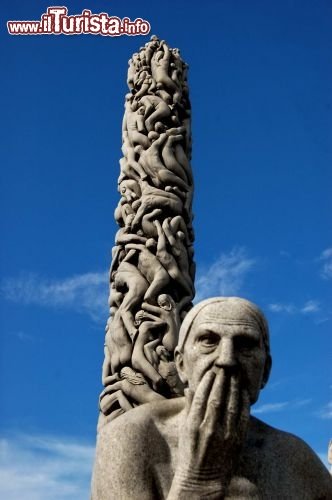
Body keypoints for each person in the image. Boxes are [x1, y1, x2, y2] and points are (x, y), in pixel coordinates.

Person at [92, 297, 332, 499]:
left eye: (245, 345)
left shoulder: (294, 457)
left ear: (265, 371)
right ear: (182, 364)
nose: (226, 360)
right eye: (208, 341)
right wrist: (198, 481)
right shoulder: (131, 438)